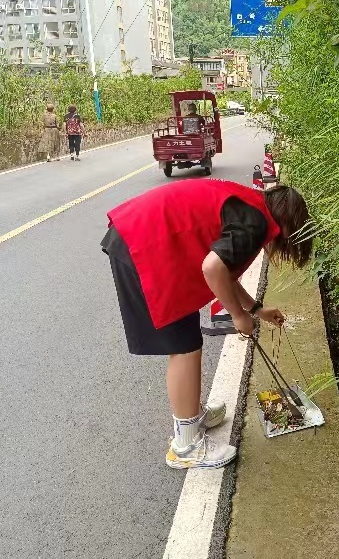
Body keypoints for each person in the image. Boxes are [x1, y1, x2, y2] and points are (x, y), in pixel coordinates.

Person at [101, 180, 312, 469]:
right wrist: (238, 315)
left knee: (187, 340)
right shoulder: (256, 223)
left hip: (148, 239)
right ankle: (186, 446)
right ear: (288, 223)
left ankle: (191, 415)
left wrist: (256, 309)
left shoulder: (250, 207)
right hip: (144, 246)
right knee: (184, 346)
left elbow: (224, 270)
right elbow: (213, 268)